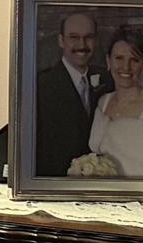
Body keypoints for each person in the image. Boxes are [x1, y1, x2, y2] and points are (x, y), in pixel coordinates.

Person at [77, 25, 143, 180]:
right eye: (119, 58)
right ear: (108, 61)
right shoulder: (103, 102)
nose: (126, 67)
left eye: (134, 60)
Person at [32, 9, 110, 177]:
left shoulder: (108, 80)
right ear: (61, 41)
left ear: (95, 41)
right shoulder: (40, 85)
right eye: (74, 37)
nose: (82, 45)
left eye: (88, 37)